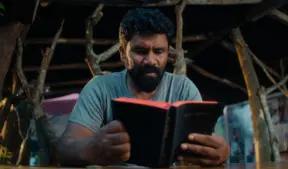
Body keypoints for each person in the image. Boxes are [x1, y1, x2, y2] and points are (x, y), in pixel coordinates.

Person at [56, 8, 230, 167]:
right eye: (140, 51)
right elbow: (64, 150)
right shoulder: (100, 88)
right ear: (123, 53)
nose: (151, 61)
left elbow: (203, 148)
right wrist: (91, 148)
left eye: (159, 51)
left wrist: (221, 153)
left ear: (167, 53)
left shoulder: (183, 88)